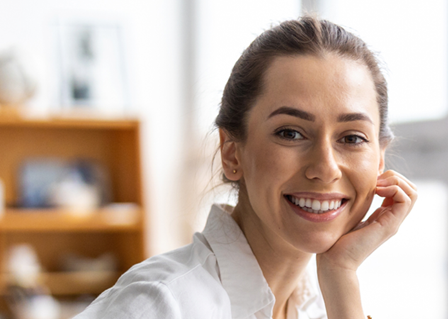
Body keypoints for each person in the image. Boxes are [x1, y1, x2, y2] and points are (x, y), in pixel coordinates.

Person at [75, 16, 418, 319]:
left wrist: (342, 275)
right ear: (232, 154)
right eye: (290, 133)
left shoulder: (323, 305)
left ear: (379, 160)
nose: (326, 168)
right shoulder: (161, 304)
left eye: (353, 138)